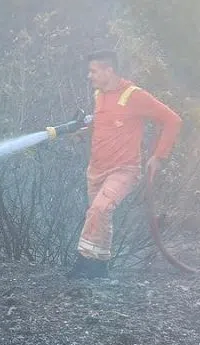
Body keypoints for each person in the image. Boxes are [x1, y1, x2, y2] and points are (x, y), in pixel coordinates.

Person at [70, 50, 182, 278]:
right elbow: (105, 122)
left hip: (124, 170)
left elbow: (173, 120)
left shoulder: (134, 96)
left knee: (99, 210)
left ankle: (82, 264)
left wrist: (159, 156)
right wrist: (84, 132)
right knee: (100, 217)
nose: (89, 76)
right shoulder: (99, 95)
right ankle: (99, 268)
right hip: (95, 171)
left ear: (108, 70)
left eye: (93, 71)